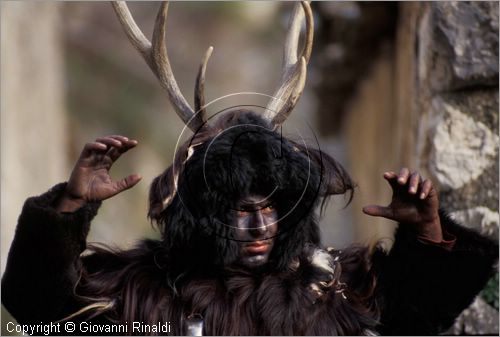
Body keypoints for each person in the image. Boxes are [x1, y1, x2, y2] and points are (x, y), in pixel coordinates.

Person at [2, 2, 498, 335]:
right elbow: (41, 312)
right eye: (239, 208)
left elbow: (421, 317)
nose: (260, 225)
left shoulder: (333, 284)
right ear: (203, 212)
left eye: (272, 206)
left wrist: (429, 235)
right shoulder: (145, 292)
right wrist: (69, 210)